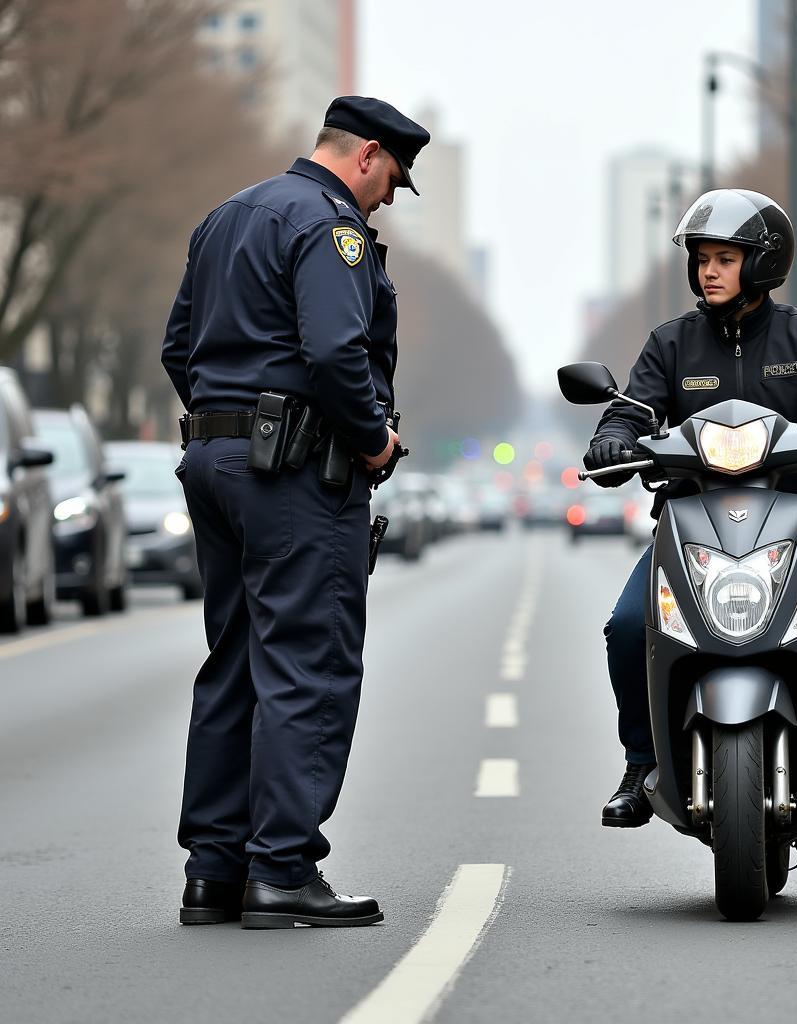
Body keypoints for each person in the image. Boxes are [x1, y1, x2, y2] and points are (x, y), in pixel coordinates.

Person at [161, 96, 429, 929]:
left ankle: (215, 872)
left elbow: (178, 345)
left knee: (235, 658)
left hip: (214, 458)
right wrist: (372, 440)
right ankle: (281, 871)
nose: (386, 198)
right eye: (391, 178)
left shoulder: (225, 217)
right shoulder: (328, 225)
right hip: (294, 474)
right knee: (307, 663)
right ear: (366, 155)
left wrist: (228, 423)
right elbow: (334, 350)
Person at [584, 188, 797, 829]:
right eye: (701, 259)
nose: (709, 271)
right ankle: (641, 763)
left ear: (762, 264)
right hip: (694, 515)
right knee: (627, 624)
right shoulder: (671, 344)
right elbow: (632, 408)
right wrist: (613, 439)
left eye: (724, 258)